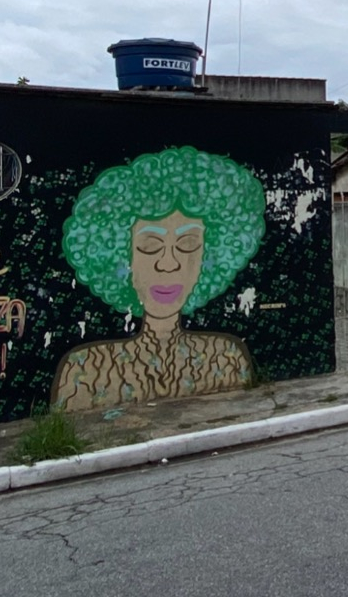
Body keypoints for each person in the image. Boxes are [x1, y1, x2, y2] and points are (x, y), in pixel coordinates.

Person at [52, 146, 265, 411]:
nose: (169, 264)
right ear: (120, 255)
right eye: (149, 245)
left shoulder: (225, 357)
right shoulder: (87, 368)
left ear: (210, 254)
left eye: (188, 244)